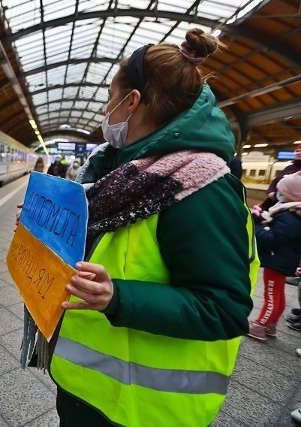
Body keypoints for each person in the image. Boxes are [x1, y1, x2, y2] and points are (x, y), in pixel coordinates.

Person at [20, 29, 258, 426]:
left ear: (131, 102)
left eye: (110, 98)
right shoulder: (116, 172)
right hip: (85, 389)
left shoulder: (198, 187)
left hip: (145, 409)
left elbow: (225, 308)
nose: (106, 109)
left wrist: (117, 297)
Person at [247, 172, 301, 340]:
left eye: (281, 191)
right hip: (283, 259)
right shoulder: (292, 213)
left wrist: (256, 226)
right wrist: (263, 217)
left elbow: (272, 239)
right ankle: (270, 325)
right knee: (278, 293)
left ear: (290, 194)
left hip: (277, 259)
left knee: (271, 294)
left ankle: (259, 325)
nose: (277, 194)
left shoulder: (289, 217)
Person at [259, 145, 301, 210]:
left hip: (292, 206)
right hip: (274, 201)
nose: (298, 153)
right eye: (297, 151)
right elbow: (276, 181)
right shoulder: (289, 168)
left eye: (300, 151)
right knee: (259, 216)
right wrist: (271, 191)